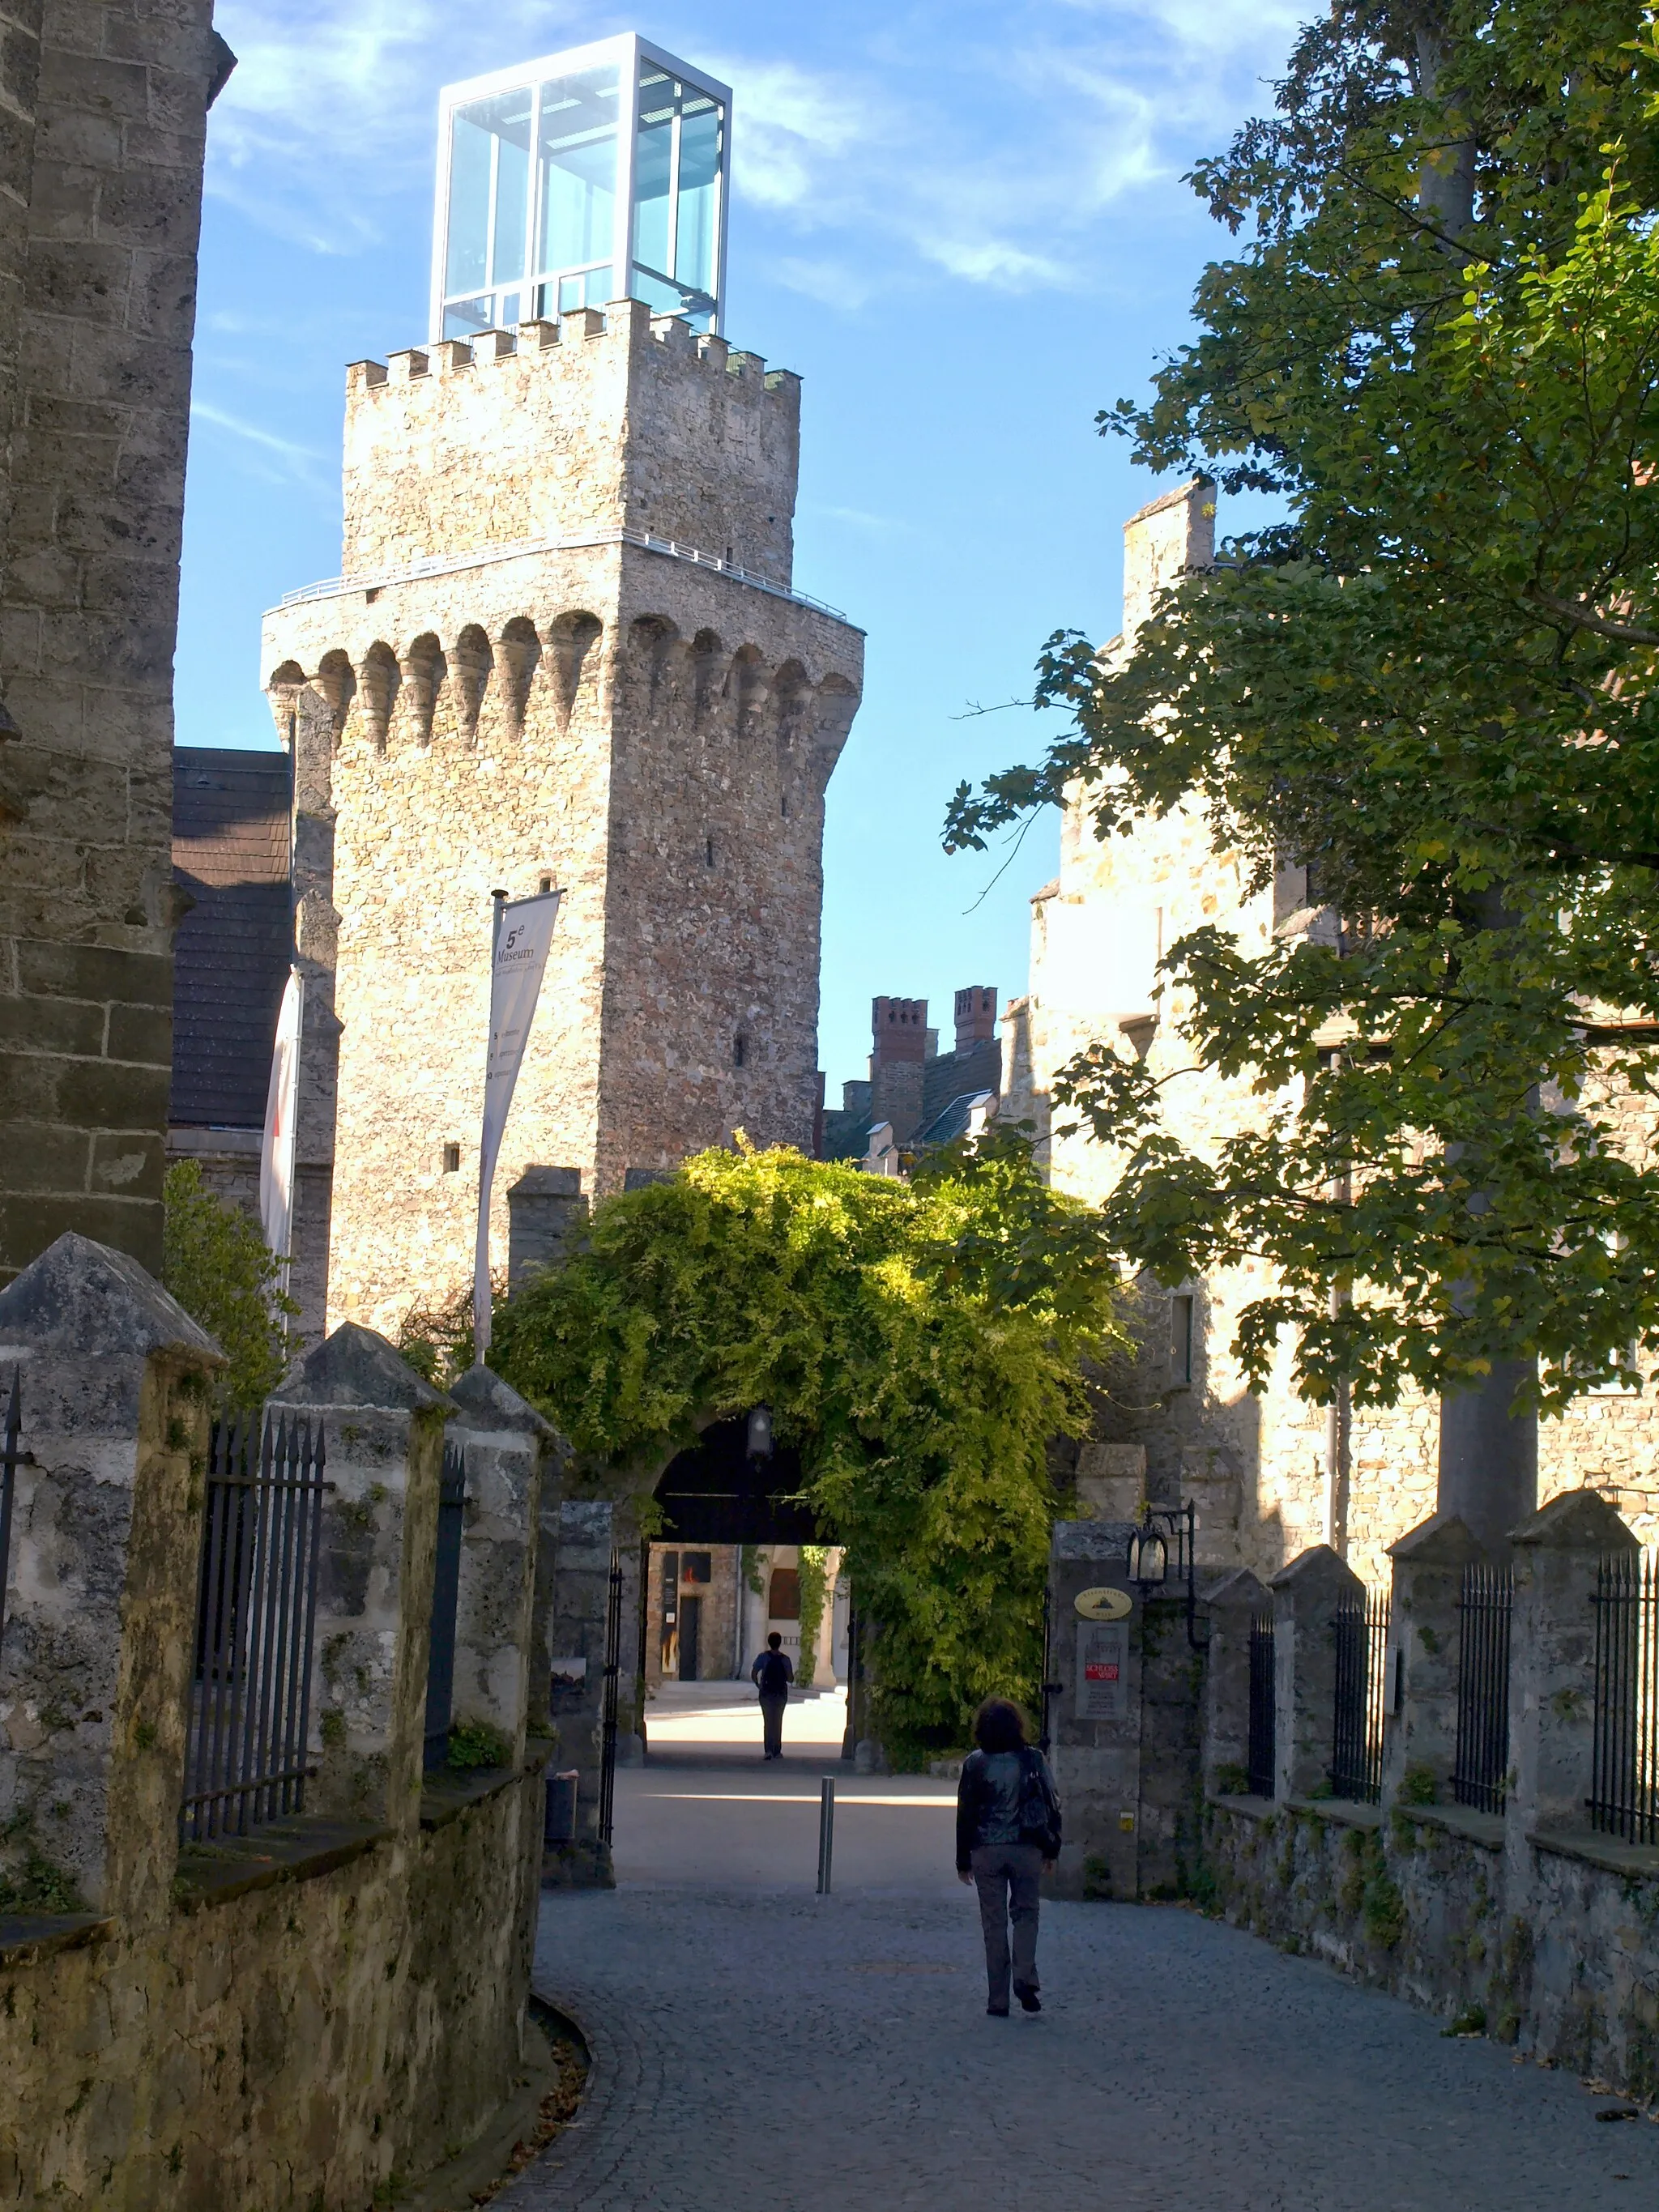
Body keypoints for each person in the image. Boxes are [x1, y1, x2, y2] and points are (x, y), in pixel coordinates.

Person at [955, 1697, 1061, 2016]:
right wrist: (1051, 1848)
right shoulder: (1033, 1760)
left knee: (994, 1923)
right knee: (1027, 1914)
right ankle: (1025, 1976)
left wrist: (963, 1859)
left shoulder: (976, 1763)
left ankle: (997, 1999)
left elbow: (966, 1813)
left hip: (987, 1850)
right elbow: (1051, 1802)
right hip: (1027, 1846)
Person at [750, 1630, 794, 1760]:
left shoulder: (763, 1657)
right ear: (780, 1643)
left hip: (766, 1693)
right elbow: (790, 1678)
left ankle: (768, 1750)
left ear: (769, 1643)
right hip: (780, 1694)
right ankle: (777, 1750)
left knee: (768, 1722)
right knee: (778, 1721)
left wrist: (758, 1685)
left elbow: (754, 1673)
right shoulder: (785, 1659)